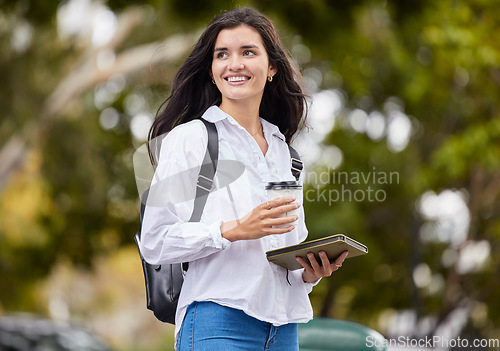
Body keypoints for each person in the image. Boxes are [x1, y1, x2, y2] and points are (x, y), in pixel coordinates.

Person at [139, 7, 348, 350]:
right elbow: (155, 240)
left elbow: (287, 249)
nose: (234, 63)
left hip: (284, 329)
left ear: (271, 68)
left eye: (248, 52)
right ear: (211, 70)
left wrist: (309, 272)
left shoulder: (285, 154)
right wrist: (232, 229)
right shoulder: (192, 139)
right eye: (222, 54)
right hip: (217, 321)